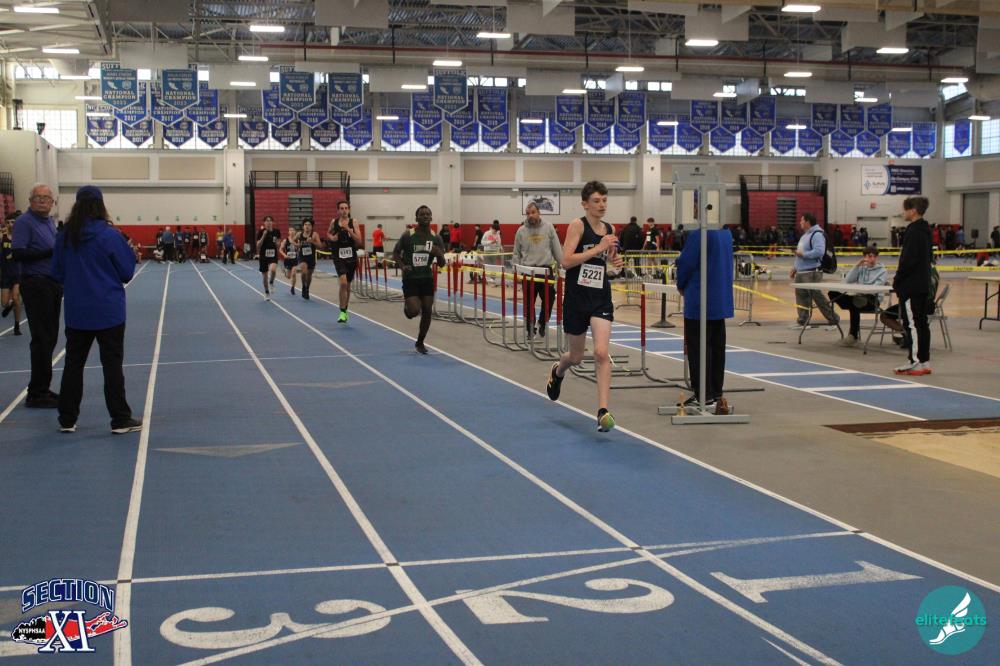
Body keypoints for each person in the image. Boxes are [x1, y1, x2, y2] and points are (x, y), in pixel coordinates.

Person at [51, 186, 141, 434]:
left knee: (73, 364)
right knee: (112, 365)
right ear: (101, 205)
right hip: (108, 310)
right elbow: (126, 272)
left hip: (77, 311)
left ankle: (67, 418)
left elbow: (56, 272)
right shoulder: (110, 236)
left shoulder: (65, 237)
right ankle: (120, 418)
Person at [545, 181, 623, 433]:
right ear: (585, 204)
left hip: (600, 298)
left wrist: (615, 260)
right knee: (576, 357)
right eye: (596, 201)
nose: (602, 205)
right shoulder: (577, 226)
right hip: (576, 299)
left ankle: (603, 411)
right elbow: (566, 261)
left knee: (601, 352)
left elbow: (609, 258)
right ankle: (558, 370)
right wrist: (598, 248)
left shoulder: (610, 229)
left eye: (604, 200)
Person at [12, 184, 62, 407]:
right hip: (36, 284)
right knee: (42, 338)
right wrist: (50, 252)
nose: (42, 201)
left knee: (49, 338)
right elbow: (18, 253)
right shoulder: (25, 222)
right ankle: (36, 393)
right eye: (38, 197)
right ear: (30, 200)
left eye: (46, 198)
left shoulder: (49, 222)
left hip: (51, 283)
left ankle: (42, 387)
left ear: (52, 202)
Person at [675, 226, 734, 413]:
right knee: (717, 349)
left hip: (700, 300)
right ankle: (716, 393)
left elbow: (686, 263)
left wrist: (680, 284)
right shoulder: (726, 233)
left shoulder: (699, 235)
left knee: (698, 349)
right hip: (720, 299)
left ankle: (703, 394)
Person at [393, 205, 446, 354]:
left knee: (427, 310)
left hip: (427, 278)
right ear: (416, 218)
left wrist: (439, 255)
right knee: (414, 311)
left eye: (428, 214)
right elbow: (396, 253)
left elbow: (442, 264)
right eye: (422, 214)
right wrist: (402, 266)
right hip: (411, 278)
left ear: (431, 217)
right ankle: (408, 309)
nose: (425, 216)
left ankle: (420, 342)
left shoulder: (436, 238)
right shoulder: (407, 236)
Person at [892, 197, 934, 376]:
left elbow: (908, 260)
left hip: (911, 286)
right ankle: (924, 361)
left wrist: (897, 280)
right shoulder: (926, 230)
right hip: (922, 284)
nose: (902, 213)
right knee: (922, 323)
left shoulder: (914, 231)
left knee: (913, 325)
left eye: (905, 209)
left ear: (913, 210)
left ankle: (915, 361)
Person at [512, 201, 562, 339]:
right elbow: (516, 253)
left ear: (539, 212)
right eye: (528, 213)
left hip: (546, 270)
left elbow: (556, 248)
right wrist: (516, 272)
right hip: (528, 271)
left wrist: (562, 266)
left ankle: (542, 323)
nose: (530, 215)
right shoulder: (521, 231)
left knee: (549, 299)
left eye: (533, 212)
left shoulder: (549, 227)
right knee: (529, 303)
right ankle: (530, 329)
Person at [828, 246, 888, 347]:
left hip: (872, 300)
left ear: (877, 257)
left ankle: (853, 336)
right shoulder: (861, 268)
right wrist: (856, 266)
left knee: (856, 303)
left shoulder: (882, 271)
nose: (870, 259)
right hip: (858, 297)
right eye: (867, 256)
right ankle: (853, 336)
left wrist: (861, 291)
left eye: (872, 256)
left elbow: (875, 288)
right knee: (833, 293)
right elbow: (847, 281)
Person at [790, 213, 839, 329]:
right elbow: (799, 253)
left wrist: (804, 255)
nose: (800, 222)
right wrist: (795, 268)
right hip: (801, 272)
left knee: (817, 297)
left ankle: (833, 319)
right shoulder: (804, 236)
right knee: (801, 297)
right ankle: (802, 321)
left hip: (812, 272)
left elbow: (819, 251)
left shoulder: (817, 234)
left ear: (807, 222)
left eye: (802, 220)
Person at [327, 201, 362, 322]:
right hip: (339, 257)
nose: (344, 210)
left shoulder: (354, 222)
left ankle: (345, 310)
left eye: (346, 208)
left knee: (347, 285)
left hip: (351, 257)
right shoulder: (334, 222)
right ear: (338, 210)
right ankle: (342, 312)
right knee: (343, 283)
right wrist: (332, 238)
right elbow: (328, 233)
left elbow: (359, 241)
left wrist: (349, 230)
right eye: (341, 208)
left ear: (349, 210)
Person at [1, 218, 23, 335]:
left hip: (17, 273)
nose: (10, 224)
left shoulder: (20, 237)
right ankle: (10, 306)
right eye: (8, 222)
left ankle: (17, 325)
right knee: (4, 303)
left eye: (13, 222)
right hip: (5, 274)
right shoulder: (2, 237)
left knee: (15, 297)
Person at [256, 216, 280, 300]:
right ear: (264, 223)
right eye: (267, 221)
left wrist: (276, 242)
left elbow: (278, 245)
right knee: (265, 277)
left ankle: (272, 282)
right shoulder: (261, 232)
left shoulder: (276, 232)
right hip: (263, 256)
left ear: (272, 222)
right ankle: (266, 292)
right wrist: (263, 235)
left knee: (273, 270)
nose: (269, 222)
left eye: (270, 221)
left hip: (273, 254)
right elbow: (258, 246)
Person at [296, 218, 321, 300]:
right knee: (303, 271)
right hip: (302, 257)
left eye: (309, 225)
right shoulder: (299, 234)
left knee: (309, 274)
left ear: (312, 227)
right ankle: (303, 286)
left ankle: (307, 289)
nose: (307, 226)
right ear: (303, 226)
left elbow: (320, 246)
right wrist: (297, 245)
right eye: (305, 225)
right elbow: (292, 241)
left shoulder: (314, 234)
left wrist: (312, 241)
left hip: (311, 257)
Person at [279, 227, 300, 295]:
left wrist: (297, 246)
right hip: (287, 260)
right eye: (290, 230)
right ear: (288, 232)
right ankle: (285, 272)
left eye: (293, 230)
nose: (292, 231)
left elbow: (299, 248)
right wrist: (284, 255)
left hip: (295, 260)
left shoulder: (297, 240)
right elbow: (280, 249)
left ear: (295, 232)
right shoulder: (285, 240)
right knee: (288, 276)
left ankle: (292, 288)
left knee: (293, 274)